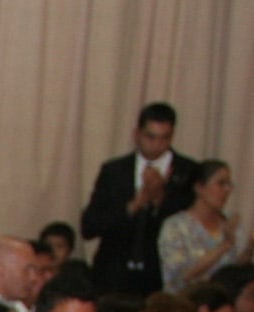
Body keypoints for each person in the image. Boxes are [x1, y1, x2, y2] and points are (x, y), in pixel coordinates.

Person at [81, 102, 199, 296]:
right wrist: (136, 203)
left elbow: (191, 225)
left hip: (162, 279)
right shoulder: (115, 170)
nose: (156, 145)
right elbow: (89, 226)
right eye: (150, 137)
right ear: (137, 134)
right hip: (113, 276)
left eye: (164, 138)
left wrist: (160, 199)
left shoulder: (188, 172)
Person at [158, 159, 254, 291]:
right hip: (185, 304)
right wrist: (225, 245)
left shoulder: (229, 222)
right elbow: (183, 276)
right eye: (221, 184)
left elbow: (236, 271)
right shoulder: (175, 227)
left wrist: (252, 242)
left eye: (229, 184)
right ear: (199, 188)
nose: (227, 190)